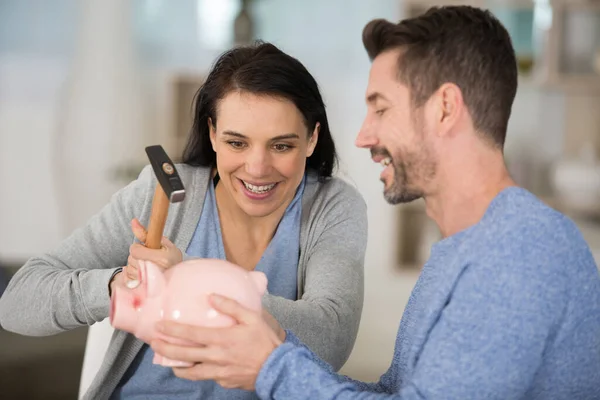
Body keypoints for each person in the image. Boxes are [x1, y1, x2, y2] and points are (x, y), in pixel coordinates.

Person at [146, 6, 600, 400]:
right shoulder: (467, 250)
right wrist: (273, 351)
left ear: (444, 109)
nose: (364, 136)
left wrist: (272, 366)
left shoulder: (515, 254)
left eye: (380, 108)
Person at [0, 42, 368, 399]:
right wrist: (117, 286)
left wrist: (186, 278)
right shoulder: (158, 192)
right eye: (237, 143)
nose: (257, 168)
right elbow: (17, 304)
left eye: (281, 145)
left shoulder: (331, 206)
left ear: (312, 139)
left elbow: (330, 338)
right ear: (212, 134)